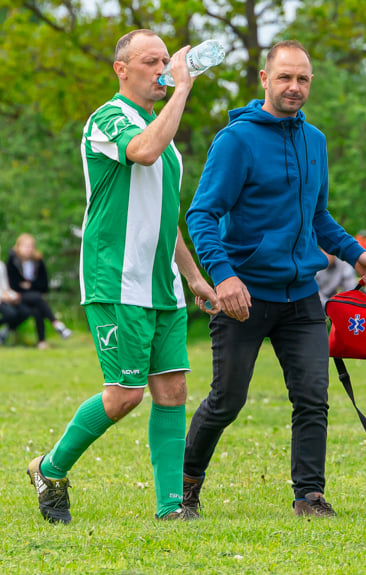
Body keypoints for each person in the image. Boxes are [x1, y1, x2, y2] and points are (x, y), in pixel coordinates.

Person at [183, 40, 366, 519]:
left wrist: (358, 255)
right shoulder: (236, 141)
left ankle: (309, 497)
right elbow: (201, 214)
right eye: (285, 78)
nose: (294, 87)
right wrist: (224, 276)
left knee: (313, 397)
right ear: (264, 79)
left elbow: (319, 217)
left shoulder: (314, 141)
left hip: (301, 297)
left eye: (303, 79)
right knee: (227, 401)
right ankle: (185, 488)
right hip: (243, 298)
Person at [26, 29, 219, 524]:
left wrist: (193, 277)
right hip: (116, 279)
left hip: (161, 285)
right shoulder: (109, 119)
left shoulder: (163, 134)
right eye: (151, 61)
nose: (161, 69)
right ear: (122, 69)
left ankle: (171, 507)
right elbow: (144, 152)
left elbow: (164, 213)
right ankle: (49, 469)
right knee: (125, 396)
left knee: (172, 390)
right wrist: (183, 87)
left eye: (165, 61)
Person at [6, 233, 72, 349]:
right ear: (19, 247)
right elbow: (13, 283)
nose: (29, 249)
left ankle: (41, 342)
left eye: (31, 246)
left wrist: (28, 285)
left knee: (37, 309)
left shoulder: (38, 261)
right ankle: (56, 324)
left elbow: (43, 284)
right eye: (26, 246)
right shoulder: (13, 260)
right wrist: (29, 286)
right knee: (37, 298)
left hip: (34, 297)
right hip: (17, 297)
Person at [0, 242, 35, 345]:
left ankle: (5, 332)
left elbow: (5, 286)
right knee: (11, 314)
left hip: (5, 298)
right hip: (2, 299)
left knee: (26, 311)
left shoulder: (1, 266)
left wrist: (13, 295)